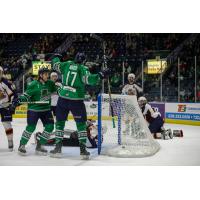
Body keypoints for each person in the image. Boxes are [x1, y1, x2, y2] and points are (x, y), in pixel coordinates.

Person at [50, 52, 111, 159]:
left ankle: (58, 148)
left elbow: (55, 64)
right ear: (83, 61)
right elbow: (89, 80)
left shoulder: (66, 64)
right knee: (81, 125)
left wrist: (56, 57)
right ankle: (83, 150)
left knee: (59, 124)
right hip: (76, 100)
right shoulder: (83, 68)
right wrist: (100, 75)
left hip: (63, 99)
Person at [15, 68, 58, 155]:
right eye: (45, 74)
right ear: (40, 75)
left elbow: (57, 91)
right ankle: (22, 145)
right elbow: (26, 96)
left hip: (46, 110)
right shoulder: (33, 84)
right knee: (31, 127)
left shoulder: (50, 83)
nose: (47, 76)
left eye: (48, 74)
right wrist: (19, 100)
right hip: (34, 110)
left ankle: (40, 144)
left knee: (50, 127)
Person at [0, 66, 16, 151]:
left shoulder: (6, 83)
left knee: (7, 124)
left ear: (2, 73)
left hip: (5, 105)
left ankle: (10, 141)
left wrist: (13, 104)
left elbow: (14, 95)